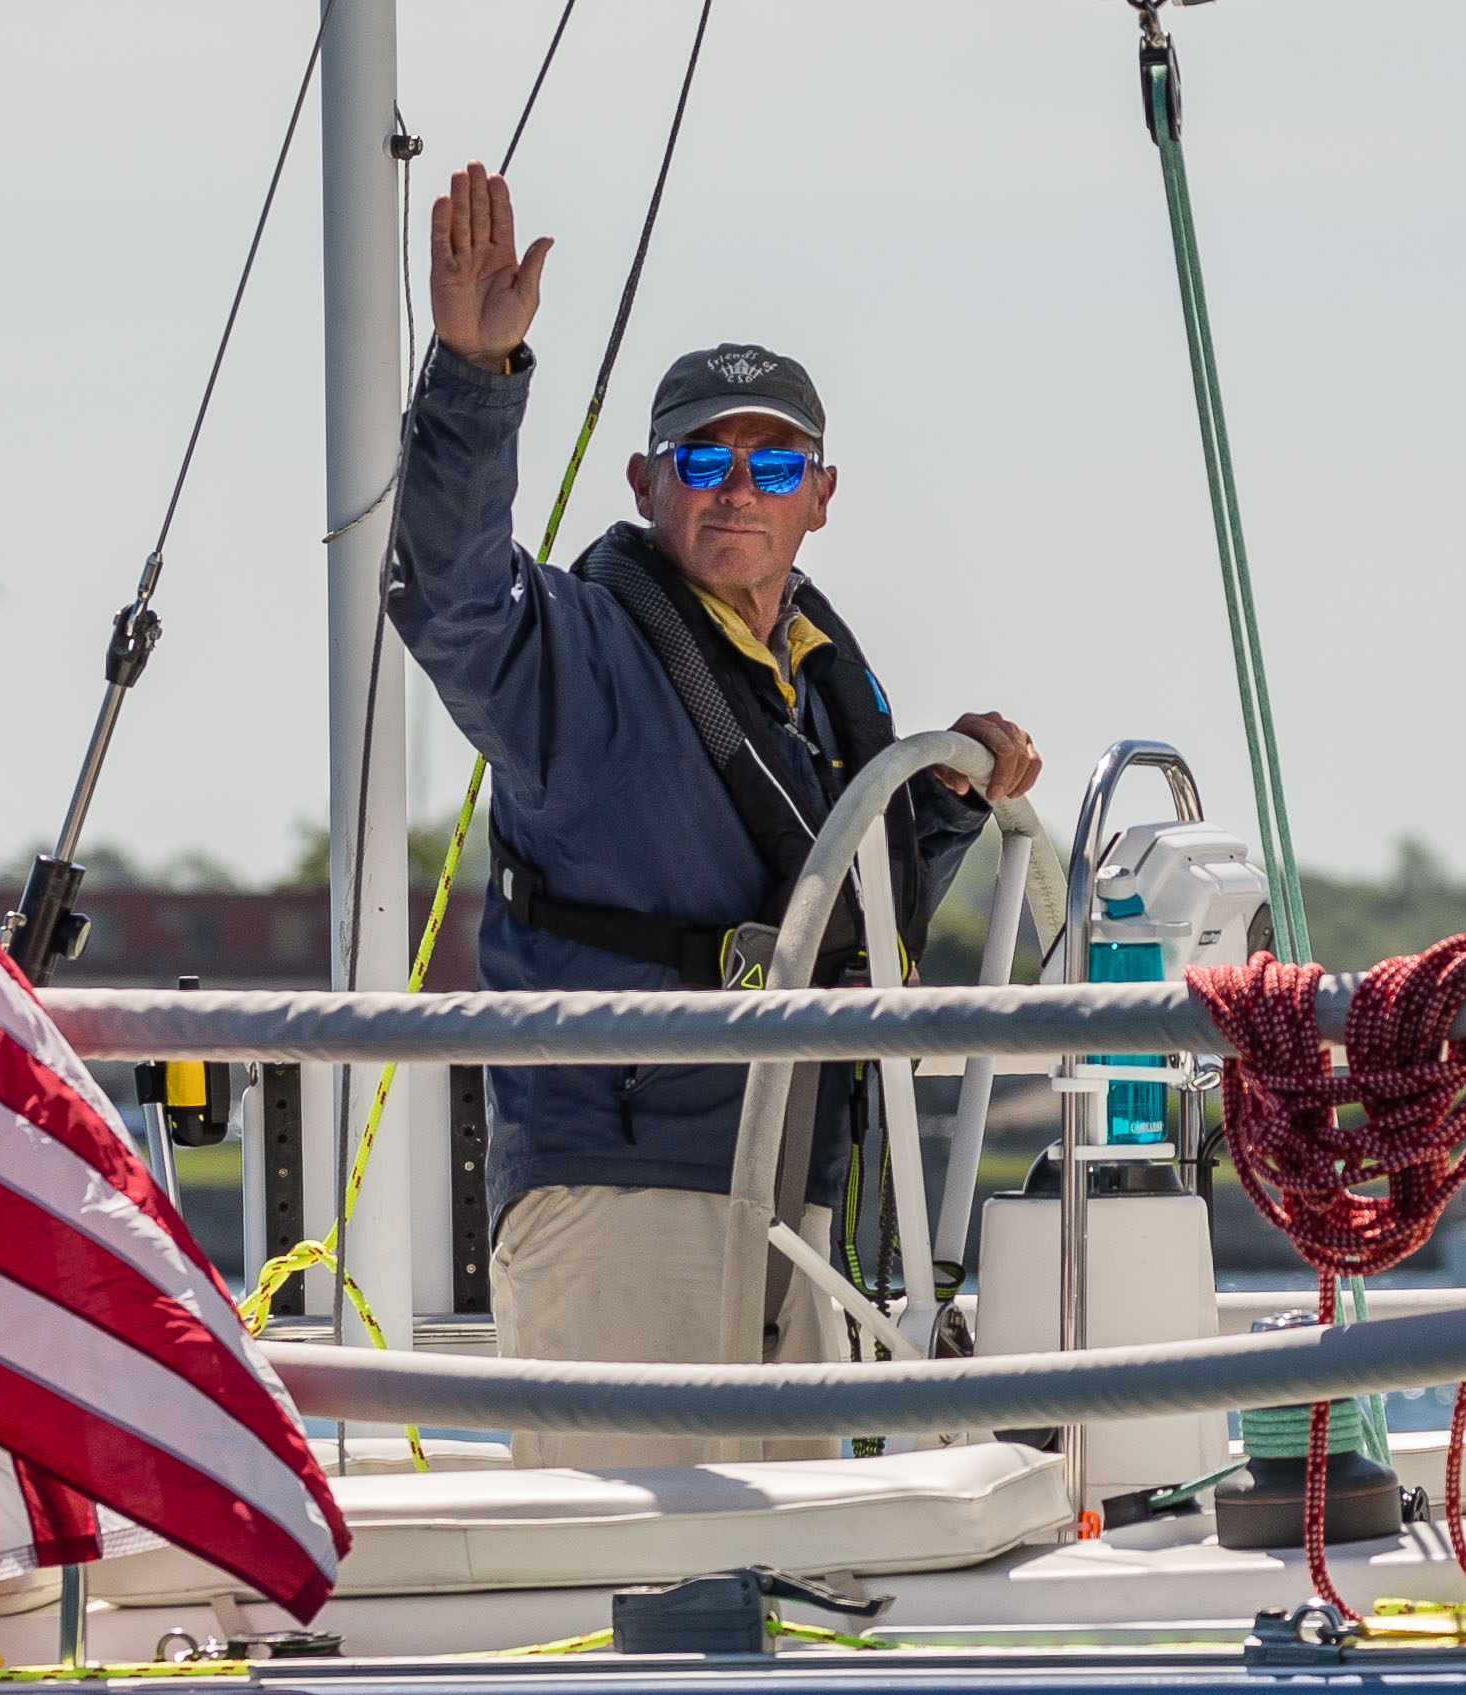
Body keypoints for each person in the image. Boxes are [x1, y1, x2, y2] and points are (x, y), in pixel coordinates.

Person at [383, 163, 1043, 1469]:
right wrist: (473, 374)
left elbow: (853, 907)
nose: (737, 487)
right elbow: (449, 599)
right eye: (705, 458)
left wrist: (953, 796)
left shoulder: (826, 693)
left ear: (820, 493)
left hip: (796, 1186)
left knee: (782, 1585)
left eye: (772, 461)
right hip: (619, 1185)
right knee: (627, 1578)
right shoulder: (571, 658)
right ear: (645, 480)